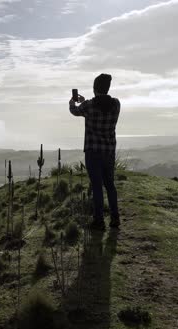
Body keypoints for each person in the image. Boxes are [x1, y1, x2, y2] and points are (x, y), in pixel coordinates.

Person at [69, 73, 121, 229]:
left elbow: (75, 111)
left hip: (93, 152)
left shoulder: (89, 106)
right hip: (109, 151)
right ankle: (115, 218)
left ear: (94, 89)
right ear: (108, 88)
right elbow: (99, 106)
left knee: (97, 186)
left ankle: (99, 220)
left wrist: (72, 102)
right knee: (110, 185)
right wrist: (86, 102)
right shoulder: (116, 104)